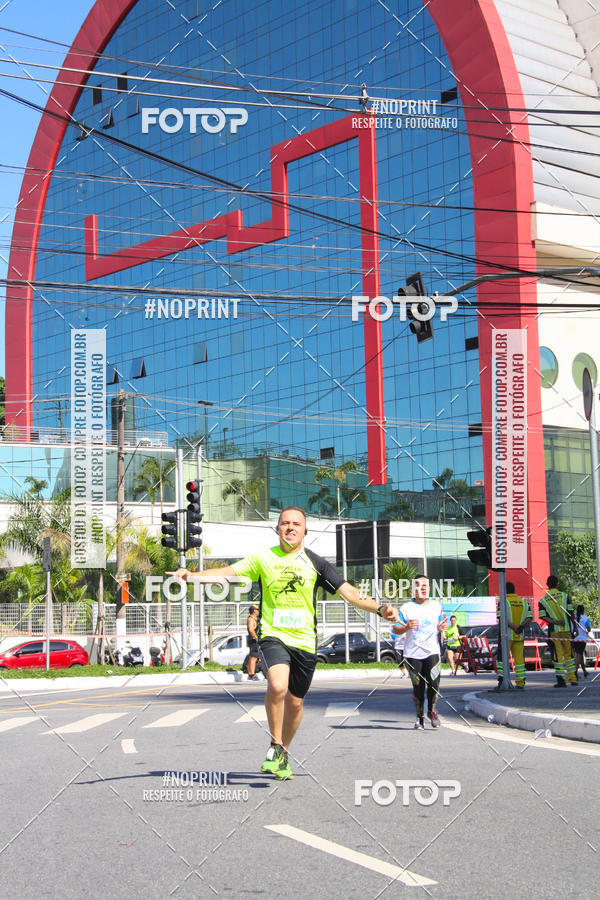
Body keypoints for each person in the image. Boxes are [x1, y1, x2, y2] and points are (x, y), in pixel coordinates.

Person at [169, 506, 396, 780]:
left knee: (296, 703)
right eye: (285, 523)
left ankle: (283, 752)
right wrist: (192, 576)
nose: (290, 527)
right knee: (277, 686)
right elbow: (228, 572)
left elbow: (349, 592)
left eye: (296, 524)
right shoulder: (263, 558)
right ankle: (275, 743)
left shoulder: (316, 563)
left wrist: (380, 609)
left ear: (305, 530)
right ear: (278, 528)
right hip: (273, 635)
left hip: (304, 641)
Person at [394, 576, 447, 730]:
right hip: (412, 654)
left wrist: (441, 627)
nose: (423, 588)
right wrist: (406, 627)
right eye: (419, 585)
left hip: (432, 652)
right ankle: (419, 718)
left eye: (426, 585)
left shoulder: (436, 606)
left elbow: (442, 624)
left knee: (434, 684)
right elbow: (396, 628)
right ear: (414, 589)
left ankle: (432, 710)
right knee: (418, 687)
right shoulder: (406, 608)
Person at [539, 575, 578, 687]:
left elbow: (542, 616)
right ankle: (573, 679)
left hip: (554, 631)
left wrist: (555, 622)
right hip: (566, 630)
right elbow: (571, 613)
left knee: (558, 656)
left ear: (547, 585)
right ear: (557, 584)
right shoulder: (565, 596)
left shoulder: (543, 600)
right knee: (569, 655)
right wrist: (574, 627)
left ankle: (561, 680)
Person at [495, 583, 531, 689]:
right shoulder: (523, 602)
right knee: (519, 660)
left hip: (506, 636)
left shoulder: (503, 602)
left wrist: (513, 627)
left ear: (504, 590)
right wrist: (520, 627)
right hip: (519, 635)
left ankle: (502, 681)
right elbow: (529, 618)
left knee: (502, 659)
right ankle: (520, 683)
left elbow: (501, 618)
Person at [572, 604, 591, 678]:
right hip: (582, 639)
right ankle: (575, 672)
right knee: (578, 656)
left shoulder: (574, 618)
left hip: (575, 639)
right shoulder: (586, 619)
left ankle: (584, 671)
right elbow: (588, 629)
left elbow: (573, 628)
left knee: (580, 655)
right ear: (583, 611)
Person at [246, 604, 261, 680]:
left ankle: (251, 673)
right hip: (253, 639)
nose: (258, 611)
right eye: (257, 610)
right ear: (254, 610)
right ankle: (251, 675)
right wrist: (256, 637)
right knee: (254, 657)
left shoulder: (255, 618)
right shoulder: (251, 619)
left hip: (254, 639)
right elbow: (251, 629)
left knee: (255, 657)